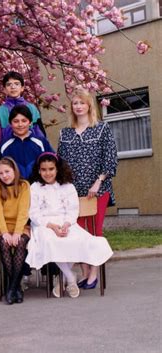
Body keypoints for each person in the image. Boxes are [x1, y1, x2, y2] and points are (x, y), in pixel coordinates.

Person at [25, 153, 113, 298]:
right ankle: (70, 277)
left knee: (79, 239)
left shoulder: (67, 186)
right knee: (50, 241)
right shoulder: (35, 187)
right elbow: (33, 213)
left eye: (51, 169)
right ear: (39, 170)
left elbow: (73, 210)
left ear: (57, 169)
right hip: (44, 224)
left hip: (67, 222)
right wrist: (52, 226)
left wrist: (66, 224)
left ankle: (62, 279)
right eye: (44, 169)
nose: (48, 173)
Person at [57, 88, 118, 289]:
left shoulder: (102, 128)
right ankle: (84, 272)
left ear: (89, 105)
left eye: (82, 102)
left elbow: (110, 159)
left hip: (97, 190)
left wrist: (98, 181)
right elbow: (60, 164)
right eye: (75, 103)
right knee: (79, 232)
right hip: (73, 192)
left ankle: (94, 272)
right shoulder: (65, 133)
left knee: (95, 230)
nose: (79, 106)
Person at [0, 157, 30, 304]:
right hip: (2, 227)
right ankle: (17, 289)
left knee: (20, 244)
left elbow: (23, 211)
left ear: (14, 170)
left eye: (7, 171)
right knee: (4, 244)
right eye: (1, 173)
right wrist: (4, 232)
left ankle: (12, 287)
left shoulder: (24, 185)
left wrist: (18, 232)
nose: (4, 176)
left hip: (21, 226)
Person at [0, 105, 53, 180]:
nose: (20, 124)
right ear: (10, 123)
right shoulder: (3, 145)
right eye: (16, 121)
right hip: (15, 188)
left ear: (30, 122)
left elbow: (52, 164)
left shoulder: (41, 142)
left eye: (24, 121)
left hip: (39, 187)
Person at [0, 71, 45, 143]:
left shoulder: (32, 108)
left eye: (16, 84)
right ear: (4, 89)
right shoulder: (0, 111)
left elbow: (40, 133)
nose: (13, 87)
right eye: (9, 84)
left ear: (22, 88)